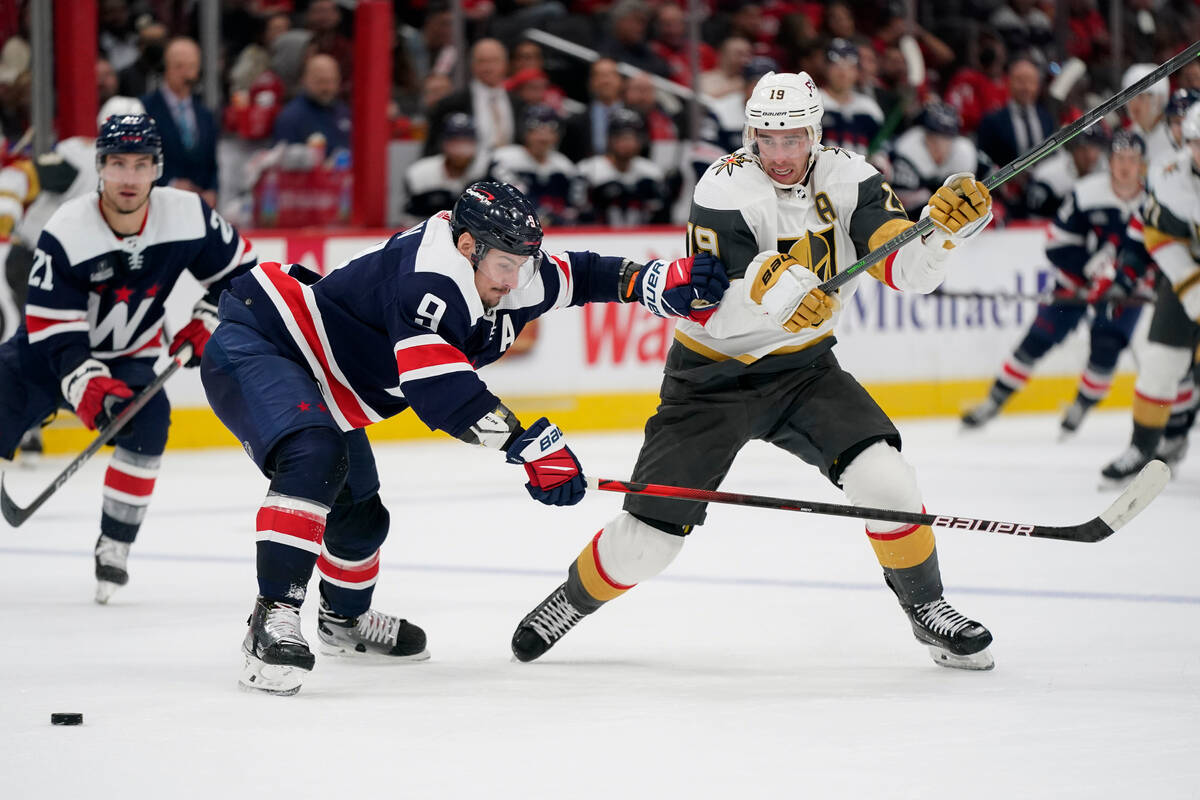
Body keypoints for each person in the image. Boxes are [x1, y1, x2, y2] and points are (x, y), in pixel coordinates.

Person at [509, 70, 998, 671]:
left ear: (815, 132)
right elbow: (714, 298)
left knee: (888, 482)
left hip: (804, 372)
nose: (781, 155)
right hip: (710, 380)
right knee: (647, 544)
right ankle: (572, 599)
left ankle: (929, 610)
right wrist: (784, 295)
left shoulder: (852, 177)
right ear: (750, 136)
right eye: (767, 139)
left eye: (793, 138)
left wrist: (945, 232)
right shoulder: (724, 186)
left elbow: (906, 271)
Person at [198, 179, 730, 696]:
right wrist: (530, 446)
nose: (515, 280)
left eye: (523, 265)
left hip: (328, 386)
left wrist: (651, 280)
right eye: (505, 266)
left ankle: (344, 621)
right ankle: (270, 623)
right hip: (263, 343)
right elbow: (440, 393)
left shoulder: (508, 267)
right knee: (313, 456)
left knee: (361, 521)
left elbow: (583, 274)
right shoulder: (428, 280)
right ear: (467, 246)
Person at [0, 114, 257, 601]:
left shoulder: (188, 215)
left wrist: (207, 320)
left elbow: (241, 274)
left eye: (141, 165)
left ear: (157, 168)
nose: (129, 178)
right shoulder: (67, 230)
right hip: (46, 353)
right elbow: (56, 332)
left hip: (131, 356)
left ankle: (114, 546)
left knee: (150, 422)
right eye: (117, 164)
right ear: (99, 167)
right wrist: (89, 386)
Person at [961, 130, 1148, 436]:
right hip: (1075, 284)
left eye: (1132, 160)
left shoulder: (1153, 200)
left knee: (1107, 346)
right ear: (1110, 160)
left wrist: (1126, 280)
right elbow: (1055, 243)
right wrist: (1089, 272)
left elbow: (1157, 250)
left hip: (1126, 293)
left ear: (1142, 164)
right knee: (1038, 339)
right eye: (1119, 158)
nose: (1125, 166)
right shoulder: (1087, 193)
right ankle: (994, 400)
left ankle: (1081, 406)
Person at [1, 95, 146, 461]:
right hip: (33, 257)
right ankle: (27, 425)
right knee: (37, 341)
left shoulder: (143, 178)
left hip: (77, 270)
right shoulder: (81, 156)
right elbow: (20, 175)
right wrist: (5, 214)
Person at [1099, 103, 1200, 485]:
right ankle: (1142, 448)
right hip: (1182, 275)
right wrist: (1126, 277)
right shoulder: (1169, 176)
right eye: (1198, 142)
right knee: (1159, 365)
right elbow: (1150, 234)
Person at [140, 37, 219, 207]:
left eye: (191, 66)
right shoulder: (145, 109)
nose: (185, 73)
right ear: (166, 67)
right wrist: (171, 183)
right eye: (178, 66)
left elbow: (212, 162)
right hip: (160, 204)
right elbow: (139, 160)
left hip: (199, 206)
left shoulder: (205, 114)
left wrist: (212, 190)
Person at [488, 104, 582, 227]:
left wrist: (560, 218)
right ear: (525, 133)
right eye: (536, 131)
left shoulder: (565, 166)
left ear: (557, 136)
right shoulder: (504, 159)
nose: (543, 137)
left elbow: (574, 206)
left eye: (550, 131)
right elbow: (516, 198)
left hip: (556, 231)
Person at [891, 101, 987, 219]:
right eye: (935, 138)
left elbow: (992, 181)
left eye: (947, 138)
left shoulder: (965, 152)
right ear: (925, 135)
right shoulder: (906, 152)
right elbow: (902, 207)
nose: (941, 146)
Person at [577, 109, 670, 226]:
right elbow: (577, 214)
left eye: (632, 138)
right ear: (610, 139)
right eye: (622, 137)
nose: (628, 143)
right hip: (599, 238)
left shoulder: (651, 172)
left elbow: (660, 218)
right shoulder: (588, 170)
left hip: (641, 238)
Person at [403, 112, 487, 221]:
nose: (460, 149)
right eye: (455, 141)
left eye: (466, 142)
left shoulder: (488, 172)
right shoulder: (420, 173)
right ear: (443, 142)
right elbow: (409, 221)